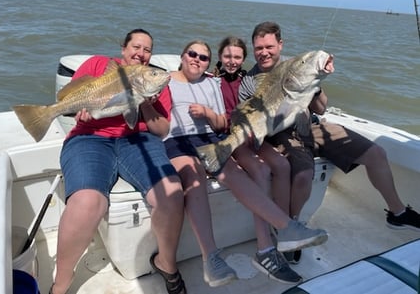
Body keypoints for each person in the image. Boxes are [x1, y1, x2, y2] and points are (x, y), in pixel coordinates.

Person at [239, 21, 420, 262]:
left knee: (376, 153)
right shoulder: (250, 81)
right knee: (303, 175)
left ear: (280, 44)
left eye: (269, 46)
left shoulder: (298, 66)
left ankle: (398, 213)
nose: (264, 52)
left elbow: (321, 108)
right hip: (282, 134)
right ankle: (292, 228)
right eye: (258, 48)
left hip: (313, 125)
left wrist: (316, 80)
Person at [163, 40, 328, 287]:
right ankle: (211, 258)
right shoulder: (163, 81)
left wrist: (209, 115)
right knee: (195, 178)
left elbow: (222, 123)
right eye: (192, 54)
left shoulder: (212, 82)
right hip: (177, 140)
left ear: (210, 62)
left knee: (246, 171)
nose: (197, 59)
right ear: (182, 55)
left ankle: (281, 233)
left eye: (203, 57)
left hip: (211, 137)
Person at [51, 29, 187, 294]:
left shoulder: (152, 79)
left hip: (138, 141)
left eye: (147, 50)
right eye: (136, 47)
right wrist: (80, 108)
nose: (141, 53)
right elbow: (69, 98)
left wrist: (146, 102)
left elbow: (161, 131)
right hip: (90, 138)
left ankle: (166, 264)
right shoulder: (98, 65)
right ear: (124, 49)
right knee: (88, 201)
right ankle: (60, 284)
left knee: (171, 194)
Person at [213, 36, 303, 284]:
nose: (232, 61)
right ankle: (265, 249)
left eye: (238, 57)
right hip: (229, 136)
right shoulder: (211, 81)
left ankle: (285, 232)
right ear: (219, 56)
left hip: (252, 133)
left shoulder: (248, 82)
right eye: (227, 56)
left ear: (244, 60)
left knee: (283, 165)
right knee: (262, 171)